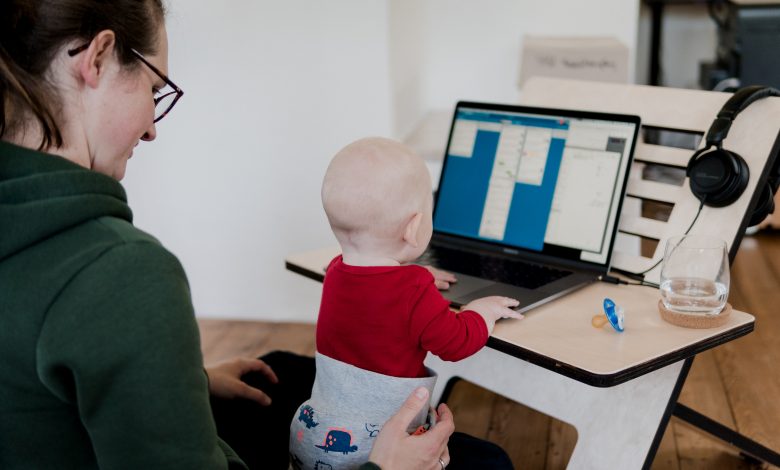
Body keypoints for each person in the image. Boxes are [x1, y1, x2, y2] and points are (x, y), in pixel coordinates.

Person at [0, 2, 515, 470]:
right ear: (98, 58)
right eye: (155, 89)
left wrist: (187, 386)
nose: (153, 127)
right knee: (486, 462)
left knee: (278, 371)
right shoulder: (120, 271)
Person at [288, 138, 523, 469]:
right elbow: (455, 343)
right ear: (415, 228)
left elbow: (372, 289)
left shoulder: (336, 271)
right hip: (378, 447)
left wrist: (415, 272)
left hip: (312, 438)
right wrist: (480, 313)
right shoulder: (413, 289)